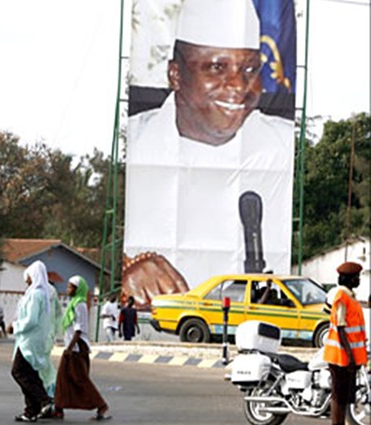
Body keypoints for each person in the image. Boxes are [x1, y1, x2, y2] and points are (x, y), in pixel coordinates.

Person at [123, 0, 295, 298]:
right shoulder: (140, 141)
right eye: (217, 67)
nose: (238, 85)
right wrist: (133, 267)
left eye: (250, 69)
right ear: (175, 75)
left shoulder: (279, 144)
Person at [53, 275, 111, 421]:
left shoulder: (80, 305)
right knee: (63, 378)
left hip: (77, 348)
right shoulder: (74, 303)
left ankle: (101, 405)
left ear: (78, 289)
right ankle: (58, 408)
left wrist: (70, 348)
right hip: (71, 347)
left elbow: (79, 329)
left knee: (80, 379)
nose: (68, 290)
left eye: (71, 287)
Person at [323, 261, 367, 425]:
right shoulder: (341, 297)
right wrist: (350, 356)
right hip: (340, 357)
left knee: (345, 396)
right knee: (339, 396)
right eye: (356, 277)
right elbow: (341, 328)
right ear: (349, 279)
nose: (359, 280)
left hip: (348, 357)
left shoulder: (350, 297)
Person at [8, 261, 53, 423]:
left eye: (27, 275)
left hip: (29, 340)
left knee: (18, 371)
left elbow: (31, 320)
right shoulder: (38, 293)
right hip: (31, 339)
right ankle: (31, 411)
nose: (25, 278)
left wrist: (15, 327)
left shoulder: (36, 295)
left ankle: (44, 400)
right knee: (29, 373)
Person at [38, 279, 63, 401]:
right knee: (44, 366)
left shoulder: (36, 292)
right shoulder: (52, 291)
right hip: (49, 334)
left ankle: (48, 395)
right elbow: (58, 313)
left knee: (41, 367)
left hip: (38, 336)